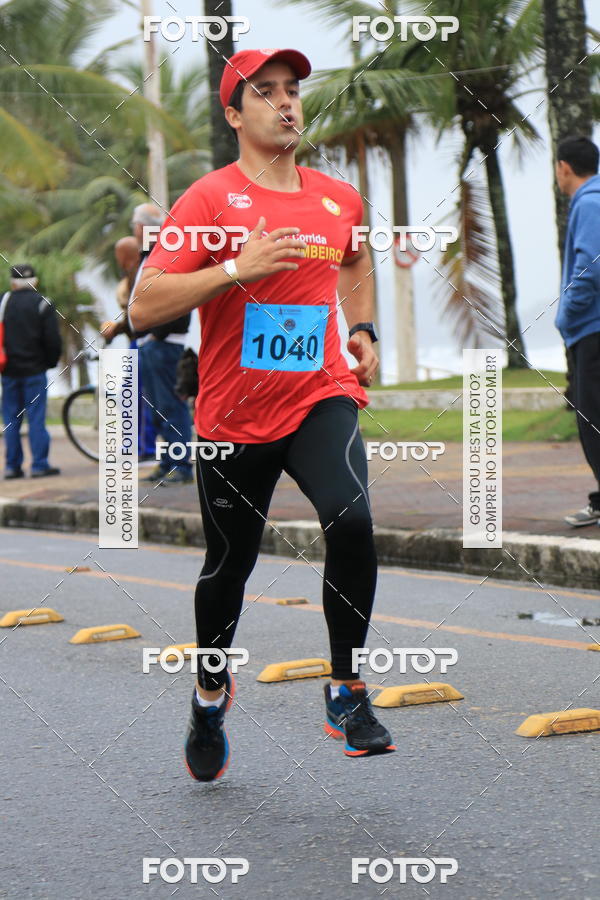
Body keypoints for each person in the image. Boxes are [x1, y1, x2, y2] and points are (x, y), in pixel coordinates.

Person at [130, 48, 395, 782]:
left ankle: (346, 689)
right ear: (234, 114)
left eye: (293, 91)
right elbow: (143, 303)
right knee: (229, 568)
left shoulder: (337, 198)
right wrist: (234, 270)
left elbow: (353, 261)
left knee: (350, 518)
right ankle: (209, 694)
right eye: (265, 93)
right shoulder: (209, 202)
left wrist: (364, 330)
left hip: (319, 394)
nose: (286, 104)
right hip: (232, 417)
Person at [554, 136, 600, 527]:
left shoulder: (589, 202)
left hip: (592, 330)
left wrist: (566, 316)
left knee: (592, 421)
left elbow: (590, 268)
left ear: (563, 167)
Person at [130, 204, 193, 484]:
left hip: (164, 343)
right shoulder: (151, 255)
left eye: (135, 225)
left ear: (143, 227)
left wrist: (157, 334)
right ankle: (167, 462)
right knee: (156, 408)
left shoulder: (168, 254)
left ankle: (180, 466)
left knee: (171, 407)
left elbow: (177, 298)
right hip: (151, 342)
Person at [1, 263, 61, 479]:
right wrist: (51, 362)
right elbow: (53, 340)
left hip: (8, 370)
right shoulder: (43, 303)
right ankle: (39, 465)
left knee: (11, 419)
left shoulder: (3, 302)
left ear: (12, 283)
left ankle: (12, 466)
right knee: (36, 419)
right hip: (35, 370)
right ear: (34, 281)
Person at [102, 235, 157, 460]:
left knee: (137, 395)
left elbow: (137, 315)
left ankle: (143, 447)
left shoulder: (139, 274)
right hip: (140, 340)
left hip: (144, 341)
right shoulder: (136, 273)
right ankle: (140, 445)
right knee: (137, 394)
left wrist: (115, 329)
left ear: (124, 256)